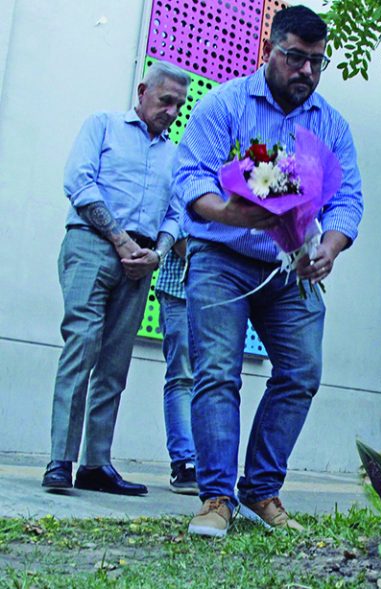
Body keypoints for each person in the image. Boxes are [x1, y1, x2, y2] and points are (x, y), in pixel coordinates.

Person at [172, 5, 363, 537]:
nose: (306, 71)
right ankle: (215, 498)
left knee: (302, 372)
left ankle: (260, 488)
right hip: (220, 258)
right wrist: (229, 211)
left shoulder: (331, 124)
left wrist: (330, 245)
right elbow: (189, 178)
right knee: (216, 372)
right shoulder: (224, 104)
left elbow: (348, 198)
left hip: (291, 266)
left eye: (316, 62)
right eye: (296, 58)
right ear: (269, 50)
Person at [42, 62, 190, 496]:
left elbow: (177, 212)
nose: (171, 111)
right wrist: (121, 240)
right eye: (165, 100)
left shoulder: (175, 154)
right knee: (82, 347)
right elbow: (79, 182)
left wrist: (157, 253)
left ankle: (95, 463)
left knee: (114, 365)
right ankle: (60, 460)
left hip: (142, 261)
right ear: (142, 91)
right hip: (92, 245)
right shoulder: (103, 126)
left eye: (178, 106)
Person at [154, 236, 198, 494]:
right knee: (182, 377)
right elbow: (180, 237)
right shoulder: (184, 192)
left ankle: (204, 462)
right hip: (179, 289)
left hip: (218, 295)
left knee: (213, 380)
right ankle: (184, 462)